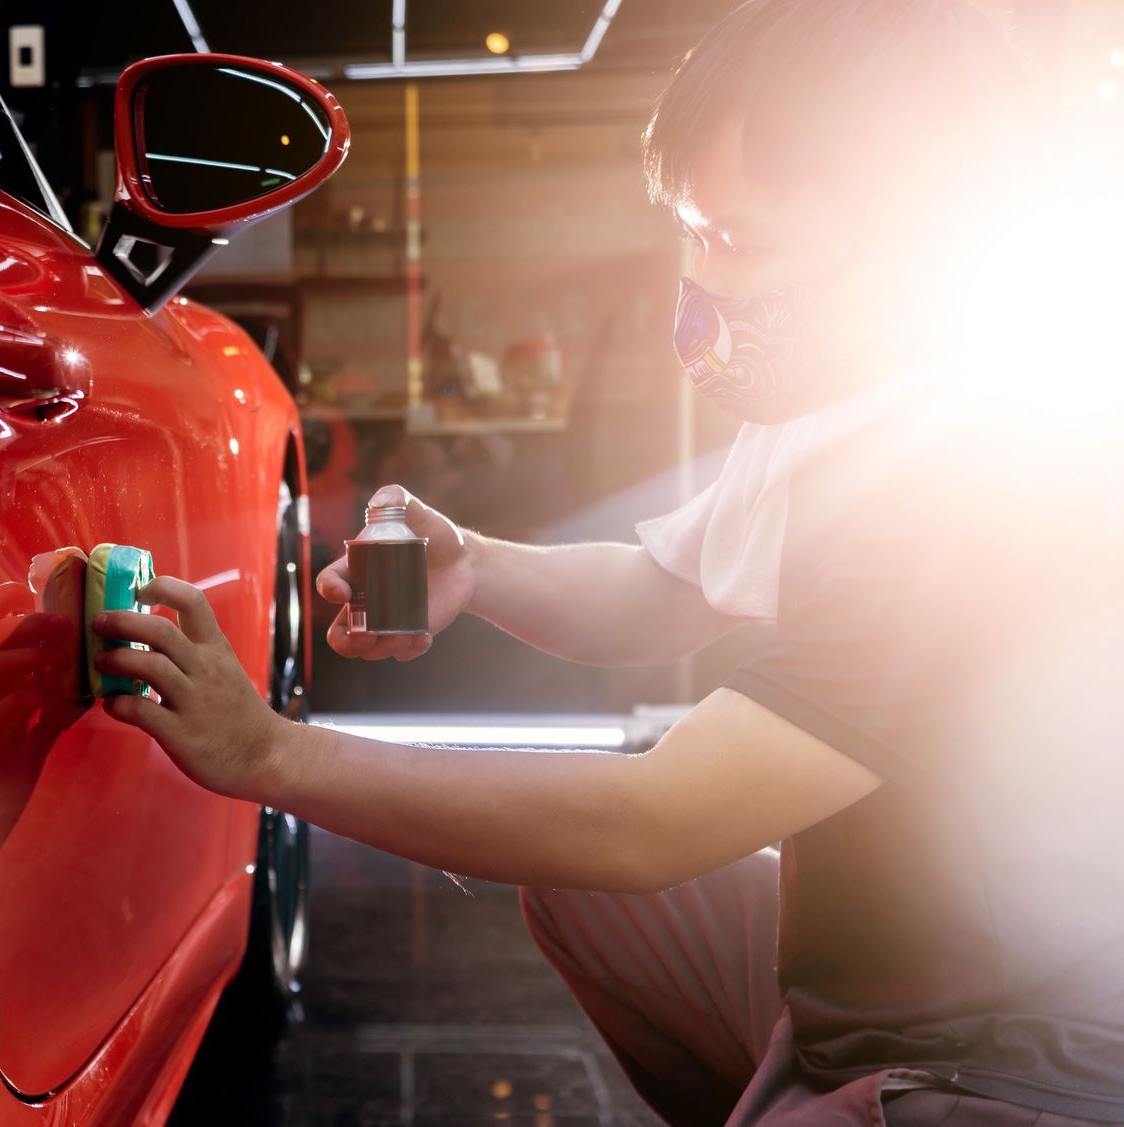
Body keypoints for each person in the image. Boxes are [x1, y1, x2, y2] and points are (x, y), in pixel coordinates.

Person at [91, 1, 1124, 1123]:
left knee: (617, 862)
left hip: (1023, 1053)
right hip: (881, 981)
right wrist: (475, 568)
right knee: (604, 906)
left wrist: (273, 756)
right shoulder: (841, 417)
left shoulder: (965, 479)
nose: (700, 273)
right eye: (690, 226)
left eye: (740, 240)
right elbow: (664, 589)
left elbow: (650, 821)